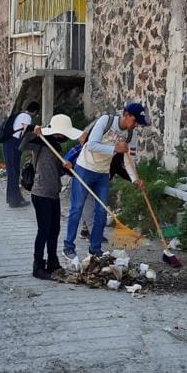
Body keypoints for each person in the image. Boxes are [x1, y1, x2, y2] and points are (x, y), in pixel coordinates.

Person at [63, 102, 148, 258]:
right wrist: (115, 149)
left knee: (101, 211)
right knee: (77, 208)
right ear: (127, 115)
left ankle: (95, 249)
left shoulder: (130, 135)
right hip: (84, 168)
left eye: (138, 124)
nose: (136, 126)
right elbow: (92, 145)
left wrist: (135, 179)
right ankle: (68, 246)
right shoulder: (106, 121)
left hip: (103, 173)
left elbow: (129, 160)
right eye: (135, 121)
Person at [19, 113, 82, 279]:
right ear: (56, 131)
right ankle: (38, 266)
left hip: (53, 192)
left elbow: (57, 171)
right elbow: (22, 144)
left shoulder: (57, 147)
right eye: (62, 133)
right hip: (40, 192)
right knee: (44, 230)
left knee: (54, 230)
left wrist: (67, 167)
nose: (63, 136)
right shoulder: (39, 142)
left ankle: (53, 262)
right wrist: (33, 130)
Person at [3, 100, 40, 208]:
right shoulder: (27, 117)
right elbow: (26, 132)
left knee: (13, 172)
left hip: (9, 144)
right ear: (34, 112)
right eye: (36, 114)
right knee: (13, 173)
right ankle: (14, 201)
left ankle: (15, 199)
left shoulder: (19, 114)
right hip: (13, 145)